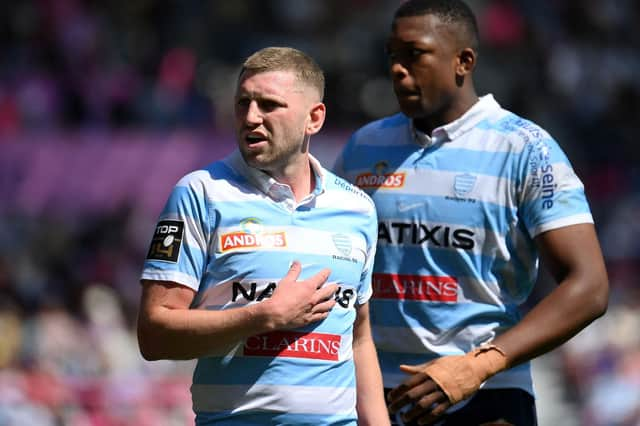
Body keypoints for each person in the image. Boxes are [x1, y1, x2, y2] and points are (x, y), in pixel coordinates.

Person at [333, 1, 610, 425]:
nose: (396, 69)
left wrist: (478, 365)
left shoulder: (525, 148)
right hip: (375, 396)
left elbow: (589, 286)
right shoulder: (363, 148)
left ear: (463, 61)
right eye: (392, 55)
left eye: (414, 54)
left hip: (486, 395)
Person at [137, 46, 389, 425]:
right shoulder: (200, 193)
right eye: (243, 103)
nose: (251, 117)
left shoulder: (358, 208)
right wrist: (263, 315)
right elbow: (154, 334)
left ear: (314, 118)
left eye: (268, 105)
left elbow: (359, 339)